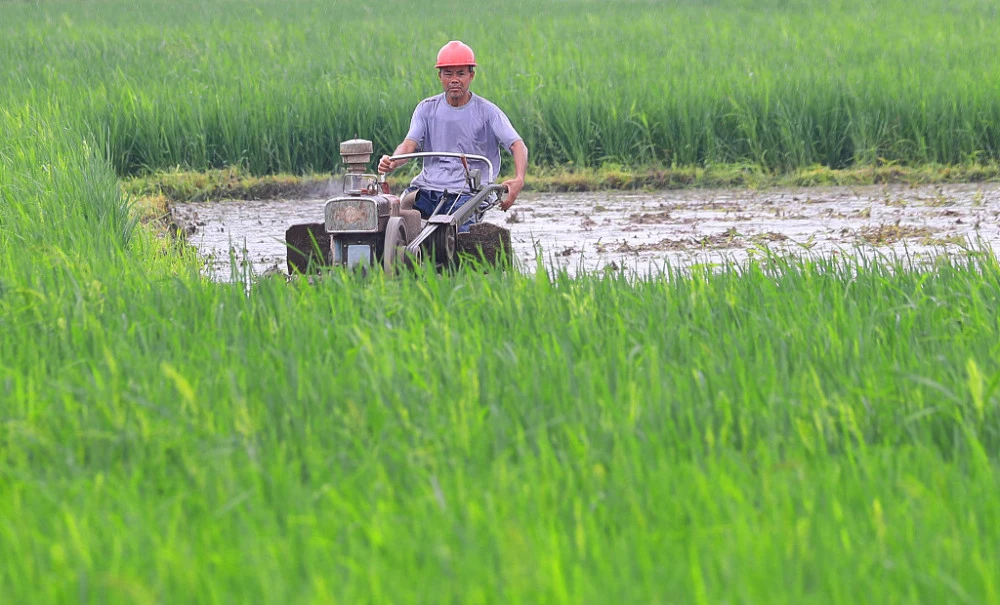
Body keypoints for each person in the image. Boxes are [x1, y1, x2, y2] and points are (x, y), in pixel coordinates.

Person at [378, 40, 528, 232]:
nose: (454, 80)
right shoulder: (426, 109)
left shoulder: (488, 112)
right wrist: (393, 161)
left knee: (457, 235)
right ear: (440, 76)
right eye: (448, 74)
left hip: (468, 192)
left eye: (461, 73)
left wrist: (519, 179)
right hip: (427, 189)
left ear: (471, 75)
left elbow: (517, 145)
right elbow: (408, 145)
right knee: (391, 219)